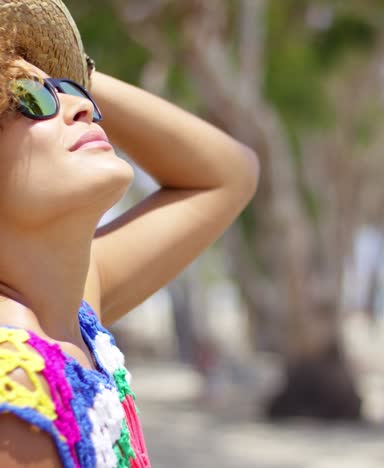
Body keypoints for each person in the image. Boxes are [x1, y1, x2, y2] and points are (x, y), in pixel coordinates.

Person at [0, 1, 259, 466]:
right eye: (31, 98)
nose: (84, 108)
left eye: (76, 90)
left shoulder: (69, 307)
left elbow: (231, 173)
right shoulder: (15, 386)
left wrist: (64, 70)